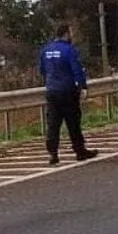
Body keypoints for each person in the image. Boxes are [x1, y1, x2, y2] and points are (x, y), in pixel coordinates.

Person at [39, 23, 99, 165]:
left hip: (52, 91)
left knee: (53, 124)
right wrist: (82, 86)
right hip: (67, 91)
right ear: (66, 33)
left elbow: (42, 70)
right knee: (73, 122)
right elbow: (77, 70)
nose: (72, 35)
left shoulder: (46, 50)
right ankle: (79, 151)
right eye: (71, 32)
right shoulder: (69, 50)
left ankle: (53, 153)